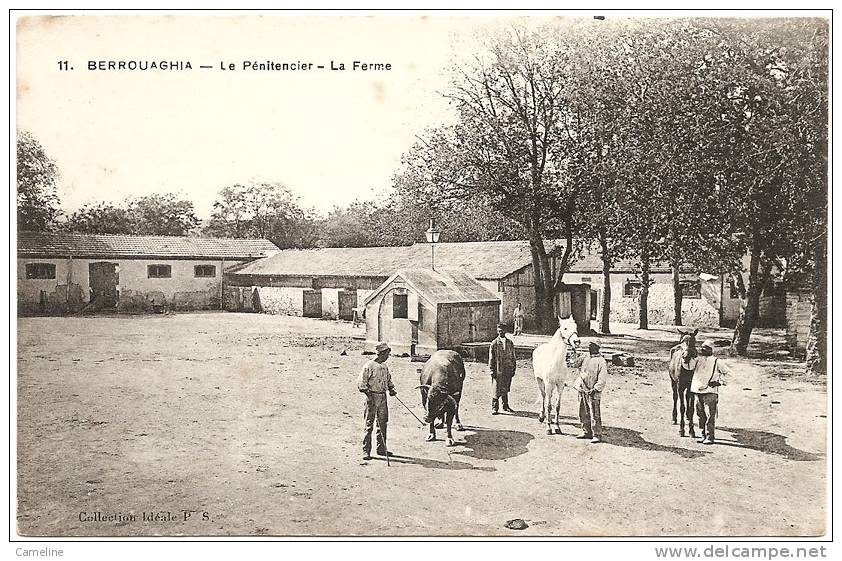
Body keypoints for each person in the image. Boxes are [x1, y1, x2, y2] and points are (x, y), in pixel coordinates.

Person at [357, 341, 397, 460]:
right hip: (372, 397)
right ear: (382, 353)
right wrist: (370, 397)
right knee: (369, 425)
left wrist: (391, 389)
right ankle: (366, 451)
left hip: (383, 397)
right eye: (387, 354)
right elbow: (361, 384)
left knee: (383, 423)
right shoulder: (368, 366)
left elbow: (388, 379)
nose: (388, 357)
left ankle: (381, 449)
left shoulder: (384, 366)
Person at [692, 340, 730, 445]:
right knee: (700, 413)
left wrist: (720, 382)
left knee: (710, 414)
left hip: (710, 391)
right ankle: (702, 434)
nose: (703, 349)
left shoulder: (717, 361)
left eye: (706, 348)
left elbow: (728, 373)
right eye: (702, 347)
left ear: (711, 350)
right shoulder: (697, 360)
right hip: (698, 390)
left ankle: (710, 436)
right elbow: (688, 366)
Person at [572, 341, 607, 443]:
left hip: (593, 391)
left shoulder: (601, 361)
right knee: (583, 411)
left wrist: (595, 389)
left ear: (597, 348)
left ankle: (597, 434)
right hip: (583, 388)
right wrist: (574, 353)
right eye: (589, 346)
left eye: (592, 346)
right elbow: (575, 363)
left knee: (595, 413)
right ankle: (586, 431)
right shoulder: (586, 357)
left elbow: (602, 379)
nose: (589, 347)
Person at [489, 323, 517, 414]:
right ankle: (494, 408)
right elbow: (491, 358)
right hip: (498, 369)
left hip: (507, 369)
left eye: (502, 331)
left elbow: (513, 356)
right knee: (496, 388)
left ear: (505, 331)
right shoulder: (494, 343)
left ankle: (505, 406)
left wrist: (513, 368)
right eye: (499, 331)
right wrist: (492, 370)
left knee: (505, 387)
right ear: (497, 331)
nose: (501, 332)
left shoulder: (510, 343)